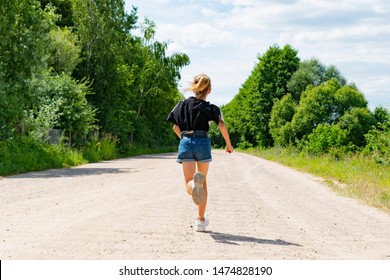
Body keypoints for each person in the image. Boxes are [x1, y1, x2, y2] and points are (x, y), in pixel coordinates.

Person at [166, 74, 234, 232]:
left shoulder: (181, 105)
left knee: (189, 183)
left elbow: (175, 127)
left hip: (186, 141)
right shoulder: (212, 108)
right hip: (203, 143)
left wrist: (185, 140)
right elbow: (222, 125)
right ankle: (200, 221)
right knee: (203, 183)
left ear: (195, 88)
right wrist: (229, 144)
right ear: (209, 90)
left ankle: (193, 186)